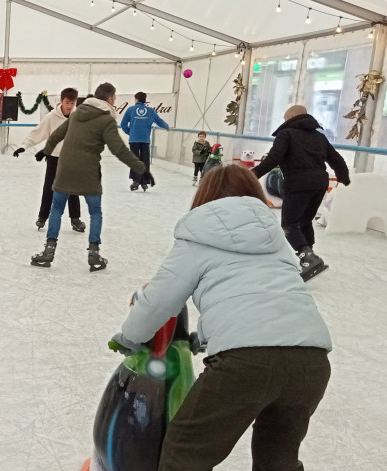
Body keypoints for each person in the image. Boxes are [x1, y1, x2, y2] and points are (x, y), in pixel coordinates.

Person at [109, 164, 332, 471]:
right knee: (277, 459)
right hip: (311, 361)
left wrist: (130, 336)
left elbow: (158, 301)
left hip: (246, 364)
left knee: (184, 454)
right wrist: (206, 336)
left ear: (205, 197)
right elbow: (265, 296)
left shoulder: (197, 235)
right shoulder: (275, 237)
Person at [31, 82, 149, 271]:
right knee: (95, 212)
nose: (115, 100)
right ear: (110, 99)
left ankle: (48, 251)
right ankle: (94, 254)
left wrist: (46, 151)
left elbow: (56, 135)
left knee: (57, 209)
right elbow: (118, 149)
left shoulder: (76, 113)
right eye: (115, 97)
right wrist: (142, 169)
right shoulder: (106, 120)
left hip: (65, 168)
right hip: (89, 171)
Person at [252, 105, 350, 281]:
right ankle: (309, 257)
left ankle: (308, 258)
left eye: (284, 118)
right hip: (319, 184)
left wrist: (251, 175)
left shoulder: (286, 134)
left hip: (298, 184)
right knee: (304, 221)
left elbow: (273, 159)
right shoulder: (319, 136)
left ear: (291, 117)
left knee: (289, 224)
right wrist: (344, 178)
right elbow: (336, 159)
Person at [13, 88, 85, 232]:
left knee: (73, 189)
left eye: (72, 102)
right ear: (61, 101)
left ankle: (75, 219)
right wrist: (24, 146)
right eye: (67, 102)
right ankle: (42, 217)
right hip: (54, 158)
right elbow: (38, 132)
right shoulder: (52, 117)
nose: (69, 106)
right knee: (49, 188)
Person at [121, 91, 169, 191]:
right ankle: (144, 182)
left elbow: (123, 124)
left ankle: (135, 181)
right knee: (145, 161)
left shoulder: (131, 109)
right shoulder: (150, 111)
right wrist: (166, 126)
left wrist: (130, 132)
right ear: (144, 100)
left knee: (135, 160)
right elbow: (159, 121)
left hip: (134, 139)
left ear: (136, 99)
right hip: (145, 139)